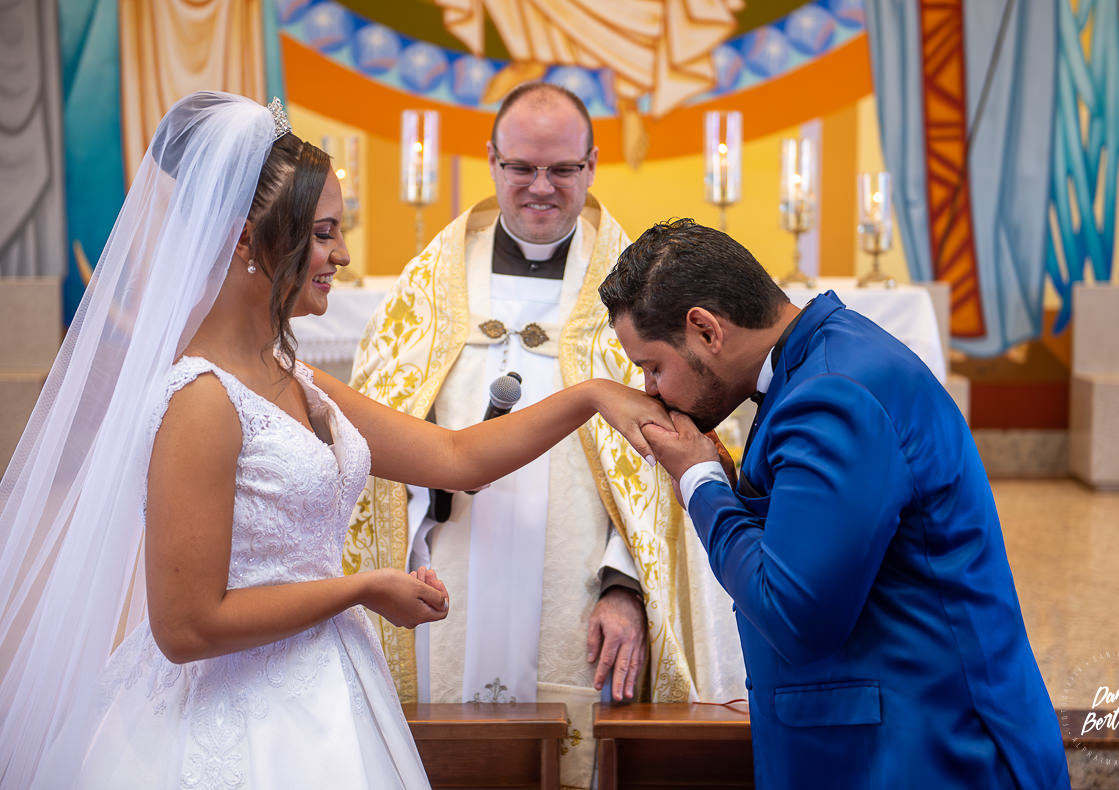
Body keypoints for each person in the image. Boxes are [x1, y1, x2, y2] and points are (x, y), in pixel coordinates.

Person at [0, 91, 668, 789]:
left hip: (328, 686)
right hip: (236, 719)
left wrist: (592, 396)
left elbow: (456, 457)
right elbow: (186, 628)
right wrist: (360, 588)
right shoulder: (199, 399)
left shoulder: (294, 377)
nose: (342, 254)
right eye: (322, 234)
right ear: (245, 240)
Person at [350, 84, 743, 786]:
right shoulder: (429, 288)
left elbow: (674, 450)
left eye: (561, 169)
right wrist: (421, 499)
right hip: (446, 572)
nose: (540, 187)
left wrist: (628, 586)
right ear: (491, 160)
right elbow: (377, 434)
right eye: (521, 167)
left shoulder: (641, 291)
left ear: (592, 165)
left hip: (580, 587)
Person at [598, 218, 1071, 789]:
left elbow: (795, 616)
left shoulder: (831, 394)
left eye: (653, 367)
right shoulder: (823, 359)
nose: (650, 390)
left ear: (705, 329)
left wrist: (699, 480)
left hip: (926, 750)